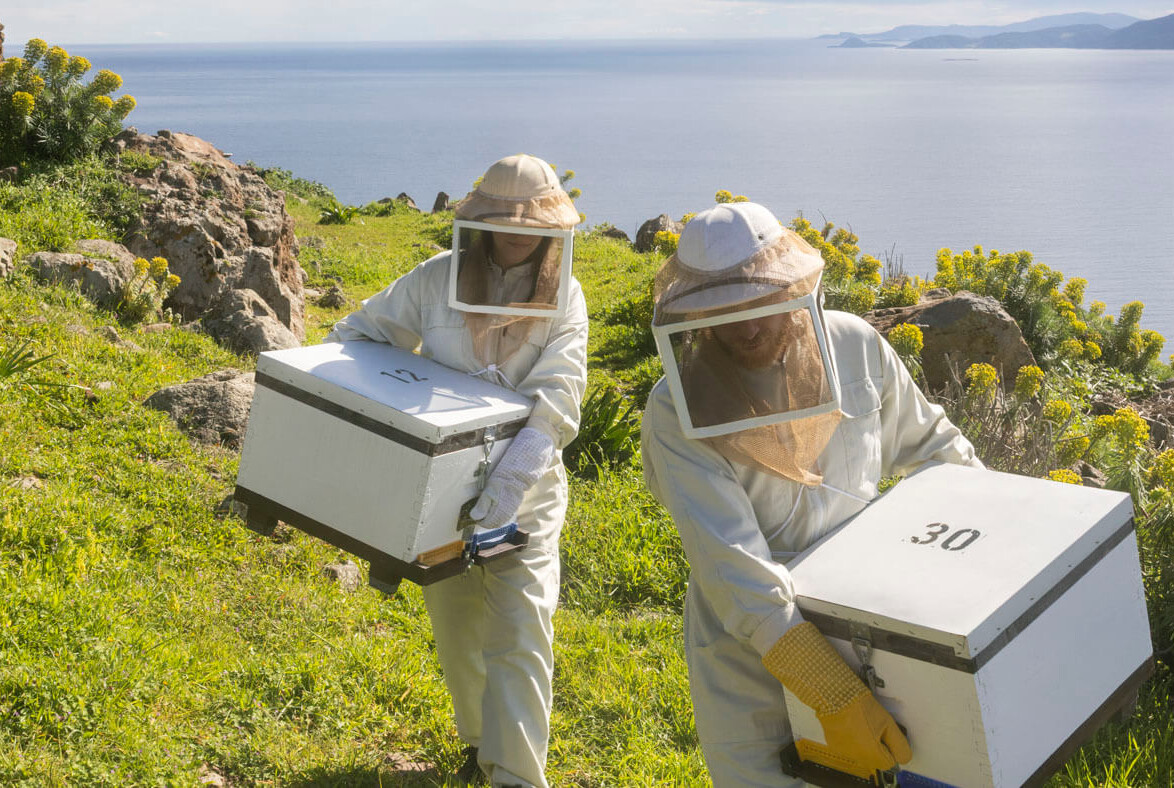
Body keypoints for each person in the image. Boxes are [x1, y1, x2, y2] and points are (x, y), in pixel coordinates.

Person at [640, 201, 982, 786]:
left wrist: (995, 542)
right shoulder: (675, 409)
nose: (745, 327)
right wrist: (830, 690)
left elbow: (937, 449)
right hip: (752, 656)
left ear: (794, 287)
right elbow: (738, 574)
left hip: (876, 627)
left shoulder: (853, 344)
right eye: (722, 312)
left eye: (758, 303)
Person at [326, 154, 588, 788]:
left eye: (531, 224)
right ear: (481, 222)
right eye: (504, 221)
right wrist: (411, 413)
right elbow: (357, 335)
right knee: (458, 627)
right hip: (441, 488)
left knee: (524, 627)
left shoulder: (567, 296)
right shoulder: (435, 278)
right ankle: (481, 746)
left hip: (528, 494)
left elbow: (560, 396)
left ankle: (518, 777)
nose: (518, 234)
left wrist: (514, 474)